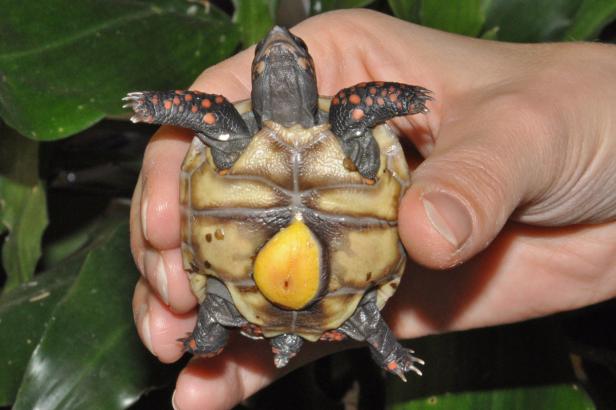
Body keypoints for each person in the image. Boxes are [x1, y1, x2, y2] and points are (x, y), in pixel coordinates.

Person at [129, 9, 616, 410]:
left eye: (290, 56)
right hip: (340, 279)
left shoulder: (235, 139)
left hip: (240, 272)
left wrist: (160, 106)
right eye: (270, 59)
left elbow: (203, 112)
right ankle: (386, 355)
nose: (278, 46)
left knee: (214, 301)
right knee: (348, 310)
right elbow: (352, 110)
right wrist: (400, 100)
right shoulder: (342, 137)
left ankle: (210, 340)